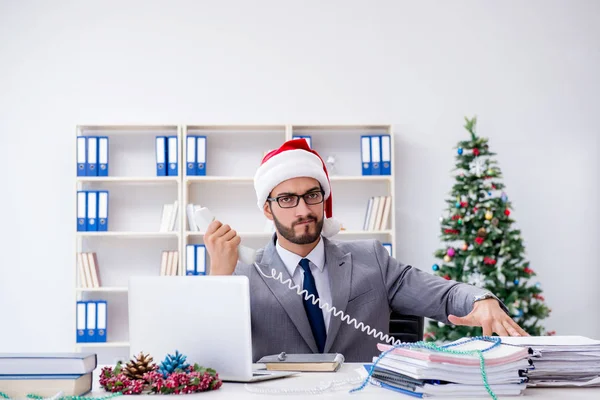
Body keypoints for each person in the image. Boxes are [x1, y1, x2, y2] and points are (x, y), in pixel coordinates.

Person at [204, 139, 529, 363]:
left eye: (312, 195)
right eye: (287, 199)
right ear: (267, 209)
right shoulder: (242, 270)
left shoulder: (370, 258)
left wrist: (480, 300)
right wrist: (219, 277)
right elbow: (212, 353)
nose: (303, 209)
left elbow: (442, 295)